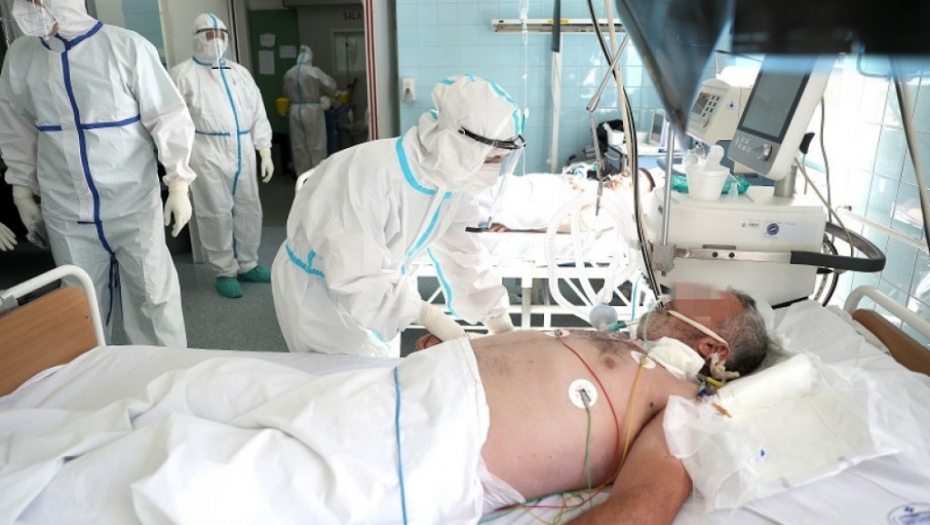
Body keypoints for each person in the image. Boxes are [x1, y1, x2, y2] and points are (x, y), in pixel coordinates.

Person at [0, 287, 774, 524]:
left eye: (696, 298)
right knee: (200, 389)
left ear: (713, 345)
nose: (676, 292)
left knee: (189, 474)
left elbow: (641, 507)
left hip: (428, 447)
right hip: (398, 389)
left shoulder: (682, 404)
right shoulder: (633, 345)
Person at [272, 75, 525, 357]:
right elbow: (354, 273)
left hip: (381, 288)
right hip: (320, 294)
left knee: (382, 372)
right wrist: (428, 316)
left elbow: (462, 252)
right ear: (460, 145)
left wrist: (498, 320)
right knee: (344, 380)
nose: (494, 170)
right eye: (492, 159)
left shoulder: (453, 180)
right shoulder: (371, 175)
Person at [0, 0, 195, 346]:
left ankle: (164, 372)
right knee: (79, 305)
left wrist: (178, 183)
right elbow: (16, 129)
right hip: (66, 211)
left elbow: (168, 117)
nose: (30, 6)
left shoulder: (126, 47)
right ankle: (93, 374)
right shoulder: (20, 56)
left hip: (132, 204)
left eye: (38, 0)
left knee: (153, 298)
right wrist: (22, 192)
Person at [169, 13, 275, 299]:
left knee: (249, 208)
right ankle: (224, 270)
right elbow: (173, 124)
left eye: (220, 35)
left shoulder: (239, 73)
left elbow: (258, 112)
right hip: (206, 150)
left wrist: (264, 150)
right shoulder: (182, 75)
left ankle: (248, 263)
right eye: (209, 34)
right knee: (215, 212)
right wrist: (178, 166)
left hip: (243, 148)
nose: (216, 40)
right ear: (197, 37)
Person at [283, 45, 337, 175]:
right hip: (312, 111)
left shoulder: (289, 73)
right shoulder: (313, 72)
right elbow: (331, 86)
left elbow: (285, 92)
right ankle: (318, 175)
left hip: (295, 110)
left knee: (299, 146)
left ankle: (303, 177)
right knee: (317, 144)